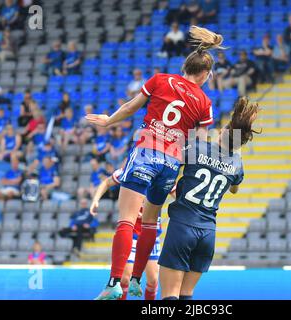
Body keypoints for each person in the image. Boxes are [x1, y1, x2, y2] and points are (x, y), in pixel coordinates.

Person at [86, 25, 221, 300]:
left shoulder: (160, 80)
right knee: (150, 222)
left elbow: (131, 107)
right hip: (171, 163)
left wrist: (109, 120)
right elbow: (197, 147)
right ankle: (135, 280)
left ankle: (114, 283)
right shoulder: (205, 103)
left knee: (126, 220)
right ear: (205, 74)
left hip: (147, 152)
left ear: (185, 66)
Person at [159, 97, 260, 300]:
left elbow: (169, 165)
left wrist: (176, 186)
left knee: (170, 295)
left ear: (223, 132)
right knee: (186, 295)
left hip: (182, 227)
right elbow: (234, 190)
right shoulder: (237, 164)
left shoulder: (196, 148)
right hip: (207, 234)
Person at [90, 168, 175, 300]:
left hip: (152, 235)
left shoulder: (163, 174)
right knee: (125, 279)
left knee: (153, 280)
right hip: (132, 235)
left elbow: (177, 194)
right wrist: (95, 200)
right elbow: (107, 182)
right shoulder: (133, 168)